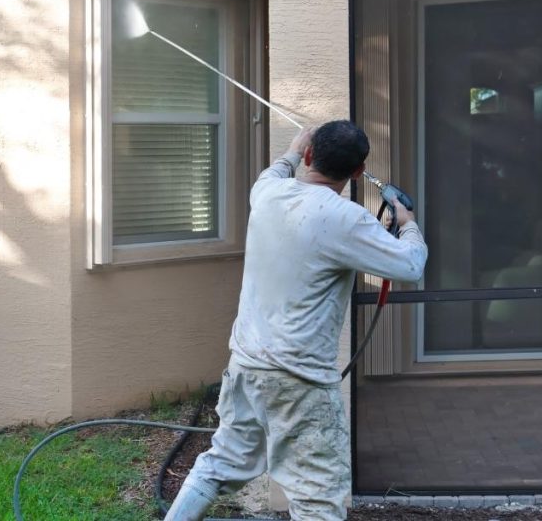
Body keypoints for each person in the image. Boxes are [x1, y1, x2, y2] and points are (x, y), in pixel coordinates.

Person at [165, 121, 428, 521]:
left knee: (220, 464)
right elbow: (410, 264)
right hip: (299, 382)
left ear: (309, 156)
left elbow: (275, 171)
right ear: (358, 172)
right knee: (318, 499)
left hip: (246, 367)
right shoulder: (349, 220)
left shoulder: (267, 193)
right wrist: (407, 224)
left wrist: (291, 149)